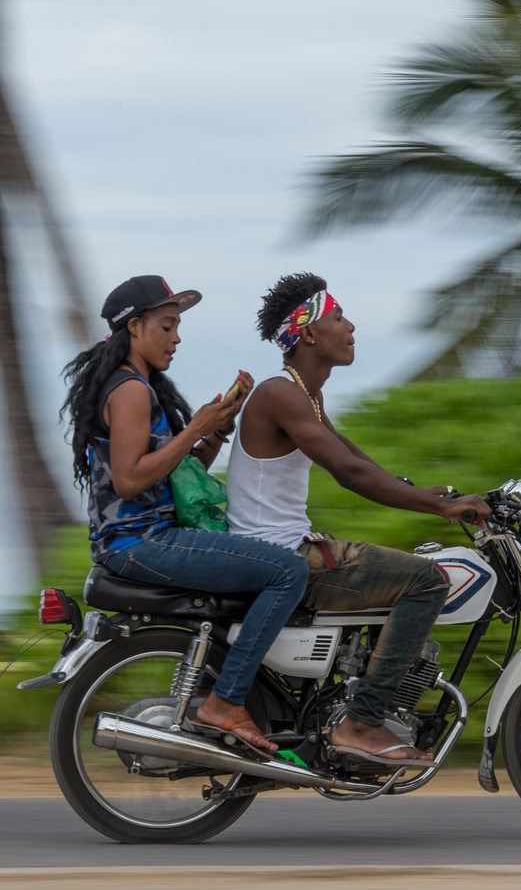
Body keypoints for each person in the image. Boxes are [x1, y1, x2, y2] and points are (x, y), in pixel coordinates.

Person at [224, 272, 491, 764]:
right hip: (283, 555)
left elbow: (356, 458)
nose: (350, 326)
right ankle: (363, 723)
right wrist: (441, 508)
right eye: (338, 317)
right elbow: (347, 473)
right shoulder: (279, 393)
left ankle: (353, 706)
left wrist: (417, 491)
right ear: (307, 332)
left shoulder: (305, 395)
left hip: (287, 547)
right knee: (428, 580)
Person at [62, 275, 309, 756]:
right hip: (140, 543)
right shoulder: (131, 390)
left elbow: (174, 477)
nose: (177, 337)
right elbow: (132, 479)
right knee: (288, 569)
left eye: (177, 326)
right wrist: (194, 426)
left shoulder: (140, 387)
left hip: (147, 536)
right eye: (167, 325)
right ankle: (225, 701)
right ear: (135, 327)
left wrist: (214, 433)